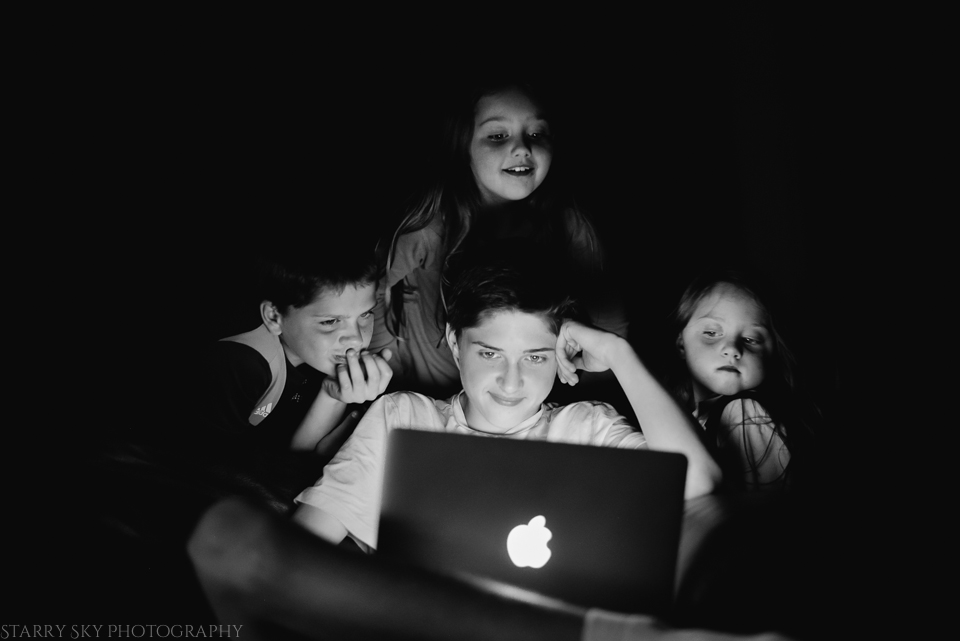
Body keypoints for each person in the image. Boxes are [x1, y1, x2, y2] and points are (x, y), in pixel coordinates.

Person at [293, 261, 720, 550]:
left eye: (535, 357)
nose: (511, 382)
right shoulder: (403, 418)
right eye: (490, 353)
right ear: (455, 344)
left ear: (561, 353)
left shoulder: (587, 427)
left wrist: (618, 354)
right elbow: (301, 551)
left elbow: (699, 484)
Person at [370, 78, 628, 399]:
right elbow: (369, 290)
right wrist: (386, 368)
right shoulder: (429, 225)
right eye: (497, 136)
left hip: (522, 405)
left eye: (536, 134)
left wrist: (584, 384)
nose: (522, 148)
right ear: (462, 146)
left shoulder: (567, 225)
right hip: (429, 401)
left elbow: (609, 326)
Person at [202, 243, 394, 459]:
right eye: (330, 321)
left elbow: (294, 455)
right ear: (274, 317)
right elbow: (219, 468)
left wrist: (333, 396)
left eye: (365, 314)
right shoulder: (242, 364)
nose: (357, 339)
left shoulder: (316, 355)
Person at [671, 271, 817, 491]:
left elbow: (766, 508)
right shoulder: (686, 412)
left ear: (772, 353)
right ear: (681, 343)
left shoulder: (745, 412)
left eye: (750, 339)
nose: (731, 349)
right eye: (711, 333)